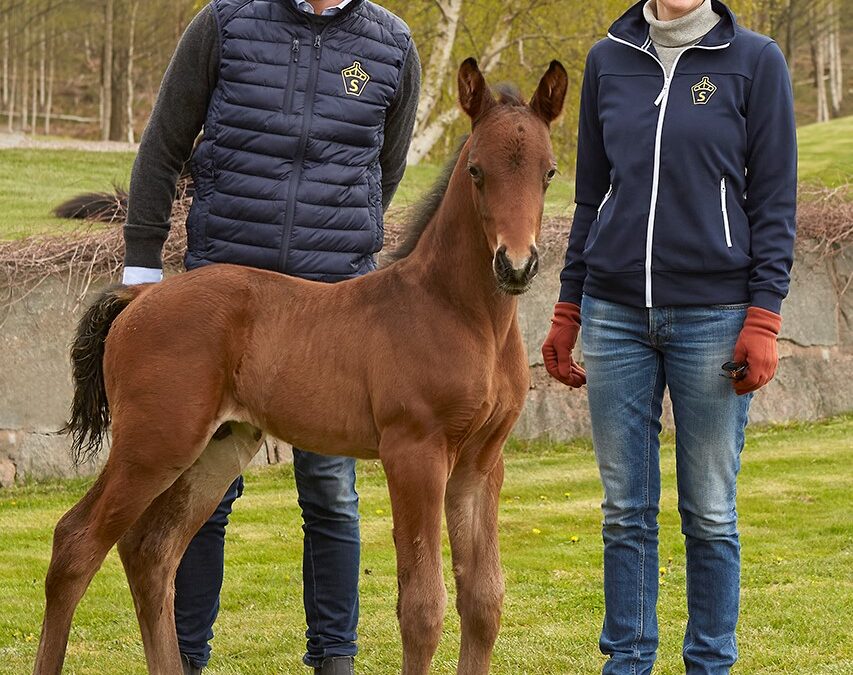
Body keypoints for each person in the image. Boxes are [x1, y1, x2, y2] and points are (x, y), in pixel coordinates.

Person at [120, 1, 420, 673]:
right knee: (204, 493)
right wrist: (142, 261)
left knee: (331, 490)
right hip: (227, 297)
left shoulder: (392, 44)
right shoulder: (224, 23)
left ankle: (334, 658)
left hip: (333, 305)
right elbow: (164, 143)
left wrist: (343, 238)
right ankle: (186, 655)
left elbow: (384, 168)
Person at [542, 0, 796, 673]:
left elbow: (773, 201)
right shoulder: (608, 60)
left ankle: (709, 663)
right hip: (613, 312)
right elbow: (590, 196)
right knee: (625, 511)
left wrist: (763, 317)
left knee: (709, 511)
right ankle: (626, 660)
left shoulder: (754, 61)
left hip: (713, 313)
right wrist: (567, 308)